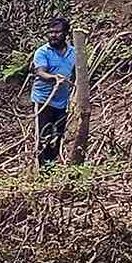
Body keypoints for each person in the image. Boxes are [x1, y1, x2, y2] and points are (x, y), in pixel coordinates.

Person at [30, 17, 76, 167]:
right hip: (44, 100)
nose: (53, 35)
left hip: (63, 103)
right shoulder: (42, 52)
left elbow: (77, 75)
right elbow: (41, 72)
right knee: (44, 137)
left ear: (66, 34)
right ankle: (43, 171)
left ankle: (52, 167)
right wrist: (54, 78)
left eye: (57, 32)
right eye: (50, 32)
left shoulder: (74, 53)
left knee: (58, 137)